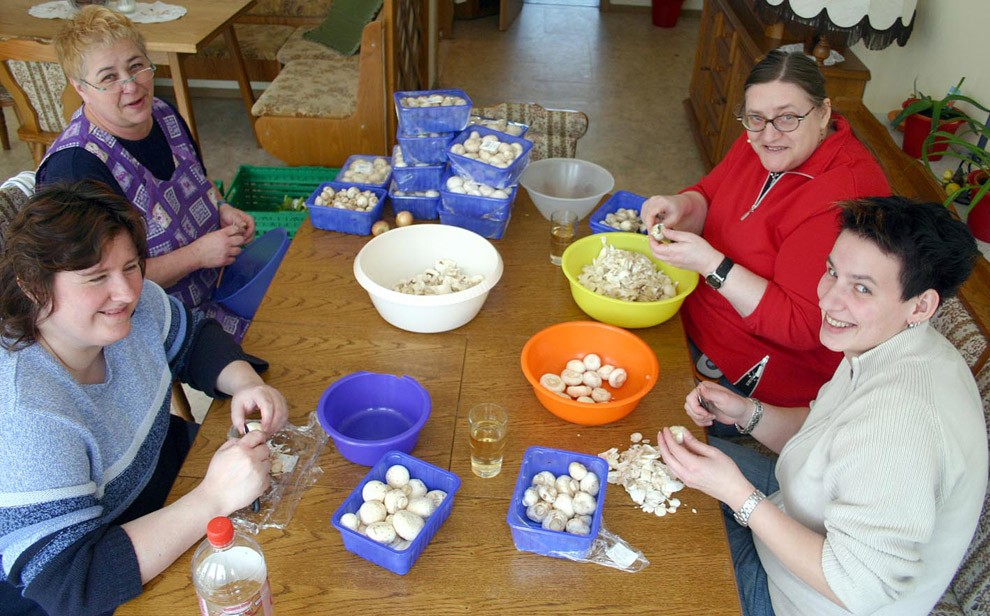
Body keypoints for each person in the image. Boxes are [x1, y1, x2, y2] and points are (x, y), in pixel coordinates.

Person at [656, 196, 987, 616]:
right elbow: (827, 433)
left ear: (921, 305)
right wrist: (748, 414)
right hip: (793, 509)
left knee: (657, 550)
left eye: (862, 288)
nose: (829, 300)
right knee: (660, 459)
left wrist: (738, 495)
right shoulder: (888, 343)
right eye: (832, 272)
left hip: (797, 599)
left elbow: (859, 587)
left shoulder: (905, 422)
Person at [0, 182, 288, 615]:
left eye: (131, 266)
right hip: (103, 580)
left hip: (166, 492)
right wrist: (211, 498)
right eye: (96, 277)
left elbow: (191, 337)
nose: (126, 292)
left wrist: (245, 383)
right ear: (33, 285)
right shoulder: (28, 416)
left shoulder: (133, 309)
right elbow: (72, 582)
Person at [641, 50, 890, 408]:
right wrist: (682, 205)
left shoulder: (848, 195)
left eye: (788, 117)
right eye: (755, 117)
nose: (769, 134)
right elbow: (711, 193)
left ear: (823, 113)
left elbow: (803, 325)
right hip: (689, 316)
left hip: (748, 373)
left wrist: (712, 265)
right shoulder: (757, 139)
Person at [35, 5, 256, 341]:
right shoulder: (75, 169)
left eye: (137, 66)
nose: (131, 85)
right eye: (109, 77)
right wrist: (198, 255)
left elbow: (200, 180)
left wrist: (222, 209)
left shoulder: (163, 114)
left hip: (221, 281)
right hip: (152, 321)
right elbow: (103, 287)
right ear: (80, 88)